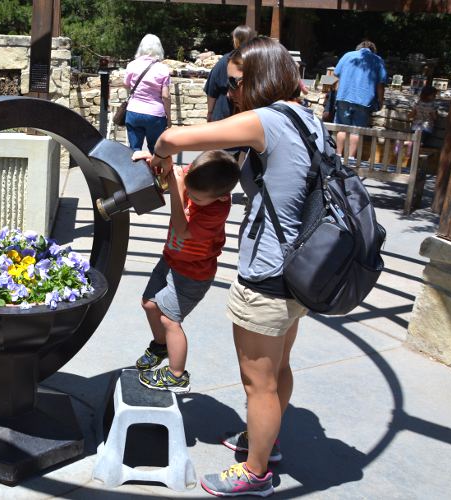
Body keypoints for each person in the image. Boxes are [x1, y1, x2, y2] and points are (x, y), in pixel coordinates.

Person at [147, 36, 324, 497]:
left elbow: (171, 138)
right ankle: (264, 443)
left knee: (257, 383)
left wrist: (162, 159)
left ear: (263, 78)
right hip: (302, 270)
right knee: (278, 369)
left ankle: (256, 472)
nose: (232, 93)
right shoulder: (309, 119)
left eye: (238, 83)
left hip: (267, 274)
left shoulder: (266, 120)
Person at [133, 150, 239, 393]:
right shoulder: (196, 176)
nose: (191, 197)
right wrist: (155, 161)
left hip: (193, 273)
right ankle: (160, 346)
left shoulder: (216, 211)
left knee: (170, 320)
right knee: (149, 304)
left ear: (222, 197)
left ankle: (177, 374)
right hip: (170, 259)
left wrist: (179, 188)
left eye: (197, 199)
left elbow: (181, 229)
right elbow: (171, 171)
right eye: (189, 191)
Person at [333, 40, 387, 161]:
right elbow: (380, 84)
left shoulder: (347, 55)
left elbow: (336, 74)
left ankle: (338, 155)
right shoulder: (377, 60)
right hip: (364, 100)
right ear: (373, 50)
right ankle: (351, 158)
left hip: (344, 97)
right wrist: (380, 100)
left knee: (342, 127)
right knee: (356, 130)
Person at [123, 34, 171, 155]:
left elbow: (126, 84)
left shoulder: (132, 65)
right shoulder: (163, 69)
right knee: (156, 150)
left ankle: (135, 172)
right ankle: (155, 173)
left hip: (134, 111)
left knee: (134, 149)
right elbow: (165, 96)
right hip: (155, 115)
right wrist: (169, 118)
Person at [205, 25, 257, 122]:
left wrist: (210, 112)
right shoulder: (257, 61)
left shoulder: (226, 60)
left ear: (236, 40)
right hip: (250, 112)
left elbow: (212, 89)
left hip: (223, 111)